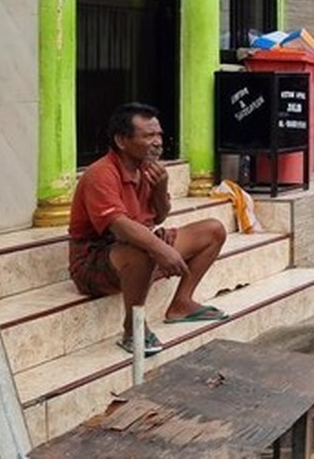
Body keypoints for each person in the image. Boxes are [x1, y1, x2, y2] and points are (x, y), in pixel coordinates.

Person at [69, 103, 228, 357]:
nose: (157, 142)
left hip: (136, 244)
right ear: (122, 140)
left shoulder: (147, 168)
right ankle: (133, 330)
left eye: (159, 135)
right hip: (95, 260)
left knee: (213, 231)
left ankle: (181, 304)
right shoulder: (101, 174)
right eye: (148, 136)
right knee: (143, 251)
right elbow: (119, 226)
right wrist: (161, 249)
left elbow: (161, 216)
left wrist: (160, 188)